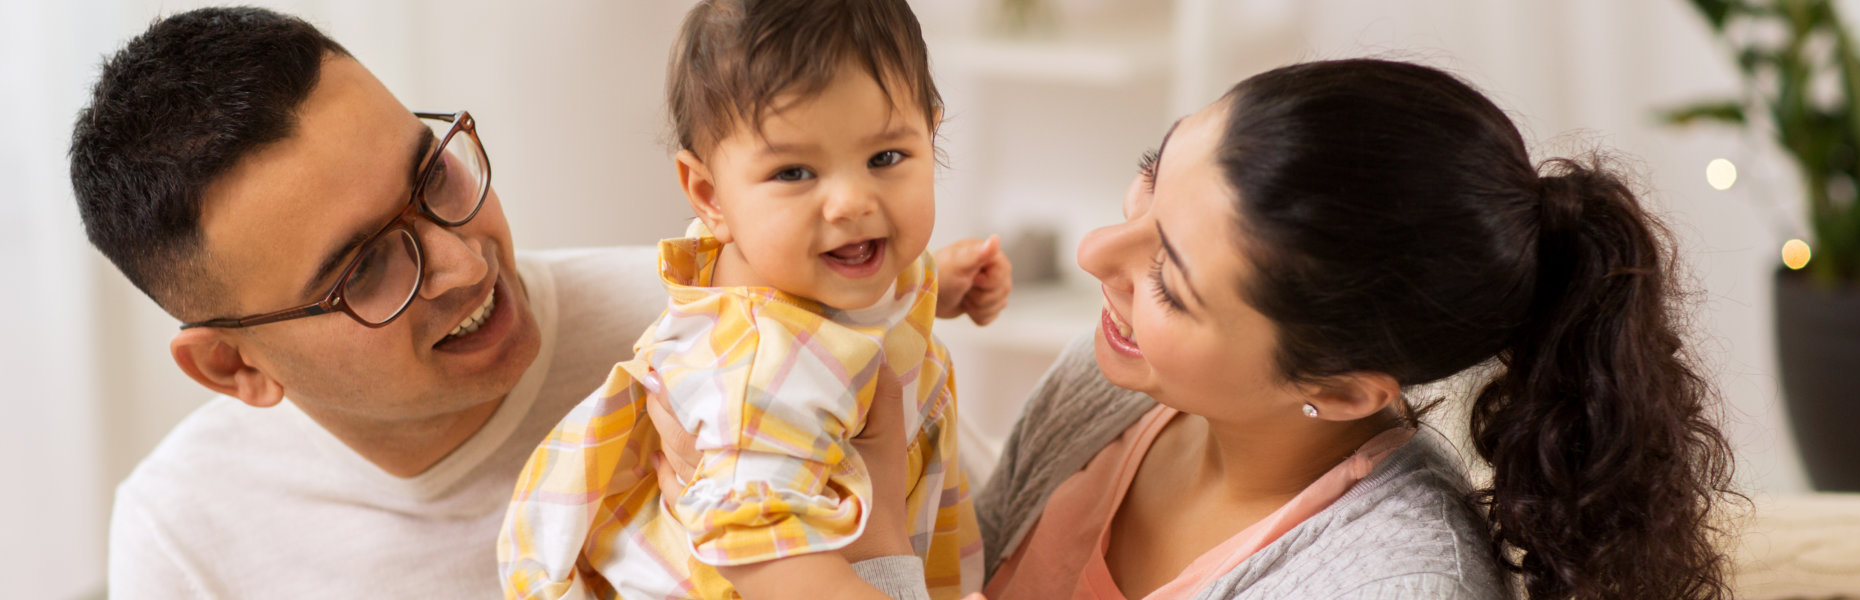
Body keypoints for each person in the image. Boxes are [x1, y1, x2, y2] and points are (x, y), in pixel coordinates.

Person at [662, 58, 1739, 599]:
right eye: (1148, 180)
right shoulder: (1115, 391)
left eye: (1170, 285)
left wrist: (860, 532)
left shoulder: (1387, 583)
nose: (1095, 255)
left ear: (1353, 387)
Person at [73, 7, 1001, 598]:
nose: (465, 264)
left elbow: (995, 547)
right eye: (364, 270)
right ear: (233, 365)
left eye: (435, 174)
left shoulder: (754, 322)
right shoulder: (186, 532)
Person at [498, 1, 1009, 598]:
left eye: (885, 158)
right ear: (710, 193)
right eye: (795, 173)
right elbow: (762, 555)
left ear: (931, 134)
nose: (851, 202)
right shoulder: (764, 366)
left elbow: (871, 303)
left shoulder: (822, 266)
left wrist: (937, 285)